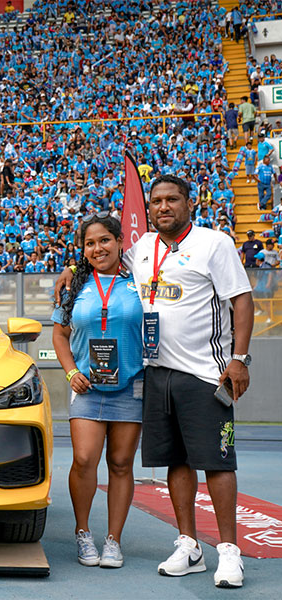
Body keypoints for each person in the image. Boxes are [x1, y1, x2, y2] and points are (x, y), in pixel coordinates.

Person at [54, 174, 254, 588]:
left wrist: (238, 358)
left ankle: (230, 552)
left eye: (172, 199)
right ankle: (189, 545)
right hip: (157, 373)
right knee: (175, 463)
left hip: (205, 372)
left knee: (216, 462)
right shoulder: (142, 249)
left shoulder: (214, 244)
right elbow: (98, 255)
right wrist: (70, 269)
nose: (163, 207)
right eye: (156, 201)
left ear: (189, 202)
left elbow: (242, 299)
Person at [52, 213, 143, 569]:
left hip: (131, 385)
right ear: (83, 250)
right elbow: (59, 334)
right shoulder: (74, 285)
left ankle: (113, 540)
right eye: (90, 243)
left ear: (120, 242)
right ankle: (83, 532)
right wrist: (71, 370)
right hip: (87, 386)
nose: (98, 248)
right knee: (85, 459)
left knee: (121, 464)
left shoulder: (140, 279)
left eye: (104, 240)